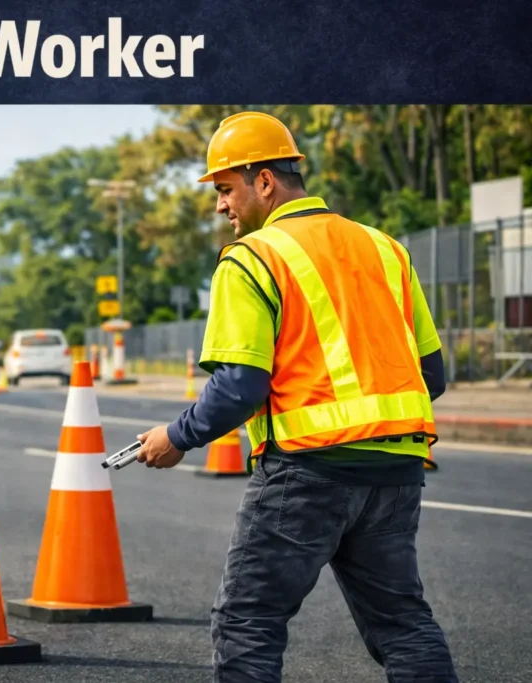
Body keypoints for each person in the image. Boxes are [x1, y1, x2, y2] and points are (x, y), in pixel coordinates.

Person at [134, 111, 458, 683]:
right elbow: (430, 375)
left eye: (225, 189)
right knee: (405, 627)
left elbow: (239, 386)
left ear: (264, 182)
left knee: (248, 623)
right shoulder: (386, 250)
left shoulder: (253, 258)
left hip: (305, 473)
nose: (220, 206)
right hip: (396, 470)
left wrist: (175, 437)